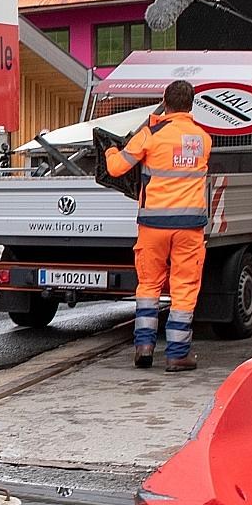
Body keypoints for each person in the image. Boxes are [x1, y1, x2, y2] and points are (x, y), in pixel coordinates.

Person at [104, 79, 212, 372]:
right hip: (190, 226)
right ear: (191, 105)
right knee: (184, 288)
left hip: (153, 225)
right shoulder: (203, 139)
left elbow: (116, 168)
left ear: (165, 102)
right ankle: (177, 355)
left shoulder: (149, 135)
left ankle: (144, 347)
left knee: (149, 285)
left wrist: (111, 150)